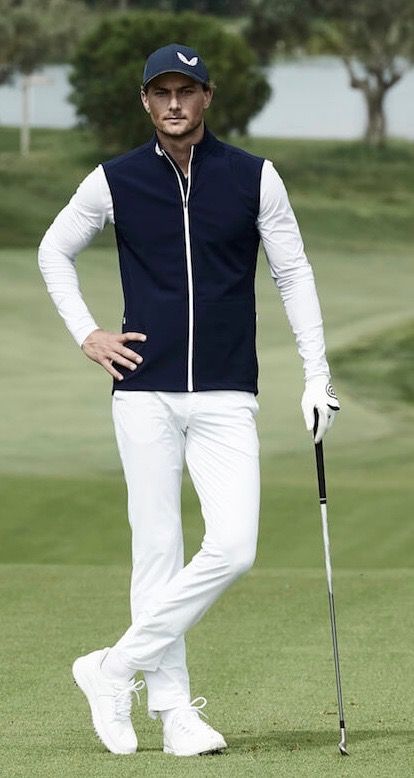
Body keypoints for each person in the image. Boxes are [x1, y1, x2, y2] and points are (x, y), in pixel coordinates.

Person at [38, 42, 340, 757]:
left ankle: (110, 669)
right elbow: (54, 251)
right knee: (158, 551)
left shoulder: (254, 179)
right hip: (143, 390)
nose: (174, 103)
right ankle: (174, 714)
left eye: (188, 90)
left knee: (233, 547)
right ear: (146, 102)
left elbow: (292, 274)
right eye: (161, 92)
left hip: (228, 391)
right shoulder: (113, 180)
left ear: (207, 97)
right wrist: (87, 334)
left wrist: (317, 373)